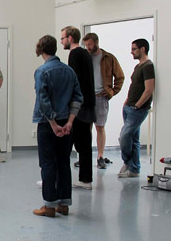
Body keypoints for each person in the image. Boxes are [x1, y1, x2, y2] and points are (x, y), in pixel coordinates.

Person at [32, 35, 82, 217]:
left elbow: (43, 101)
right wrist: (69, 121)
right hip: (67, 123)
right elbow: (77, 97)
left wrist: (53, 123)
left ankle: (49, 205)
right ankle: (64, 203)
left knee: (47, 163)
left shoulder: (42, 72)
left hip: (48, 124)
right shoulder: (69, 71)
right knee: (63, 162)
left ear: (40, 49)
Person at [82, 33, 125, 169]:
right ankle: (85, 156)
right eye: (86, 45)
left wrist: (111, 92)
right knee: (85, 127)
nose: (88, 47)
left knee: (100, 127)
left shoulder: (108, 58)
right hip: (87, 97)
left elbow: (120, 77)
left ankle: (100, 156)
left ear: (96, 43)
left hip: (101, 97)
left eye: (90, 44)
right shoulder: (84, 57)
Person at [61, 27, 96, 190]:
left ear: (70, 38)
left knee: (68, 144)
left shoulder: (74, 54)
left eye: (63, 38)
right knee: (84, 144)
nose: (61, 41)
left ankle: (59, 178)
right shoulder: (85, 54)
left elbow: (73, 81)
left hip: (79, 107)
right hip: (88, 104)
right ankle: (85, 178)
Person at [118, 38, 155, 178]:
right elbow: (134, 86)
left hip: (137, 109)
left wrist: (137, 105)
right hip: (129, 107)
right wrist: (127, 102)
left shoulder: (148, 66)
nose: (131, 52)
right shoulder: (138, 66)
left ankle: (127, 162)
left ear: (142, 49)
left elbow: (149, 89)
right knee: (133, 139)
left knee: (124, 137)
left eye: (134, 49)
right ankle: (134, 169)